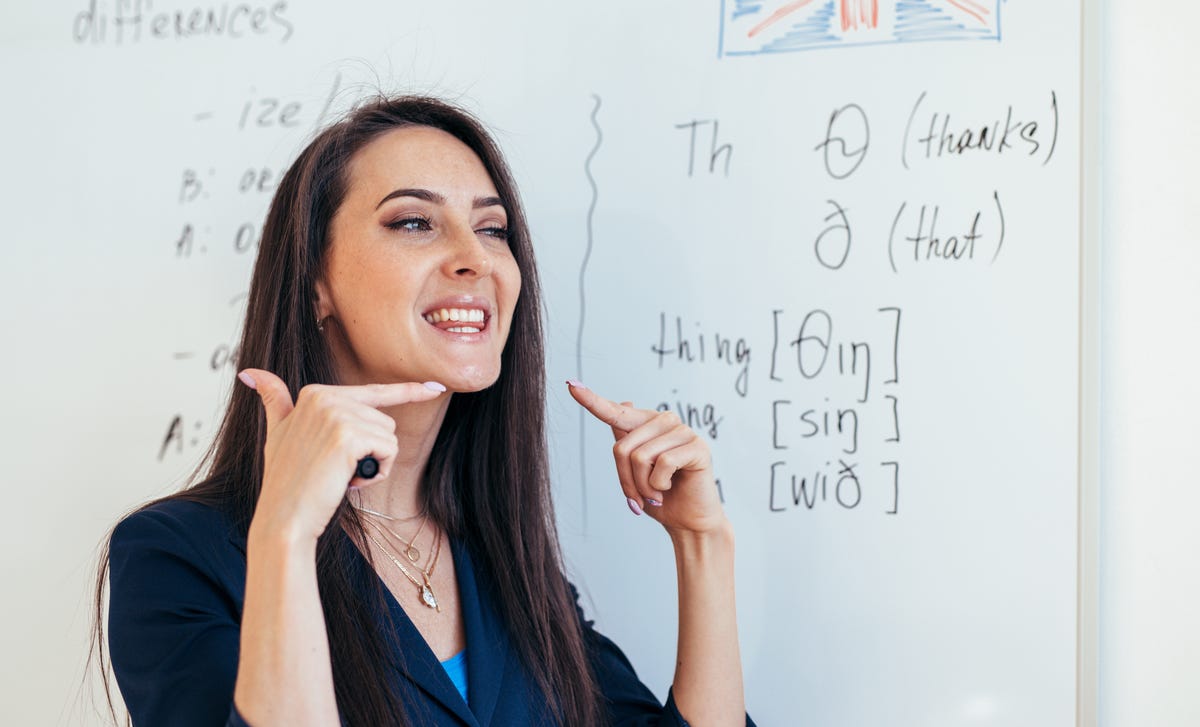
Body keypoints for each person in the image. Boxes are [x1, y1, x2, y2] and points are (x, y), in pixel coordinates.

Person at [97, 95, 753, 726]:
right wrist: (287, 533)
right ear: (315, 282)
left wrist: (703, 541)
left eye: (493, 229)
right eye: (414, 222)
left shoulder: (509, 564)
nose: (476, 258)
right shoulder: (177, 555)